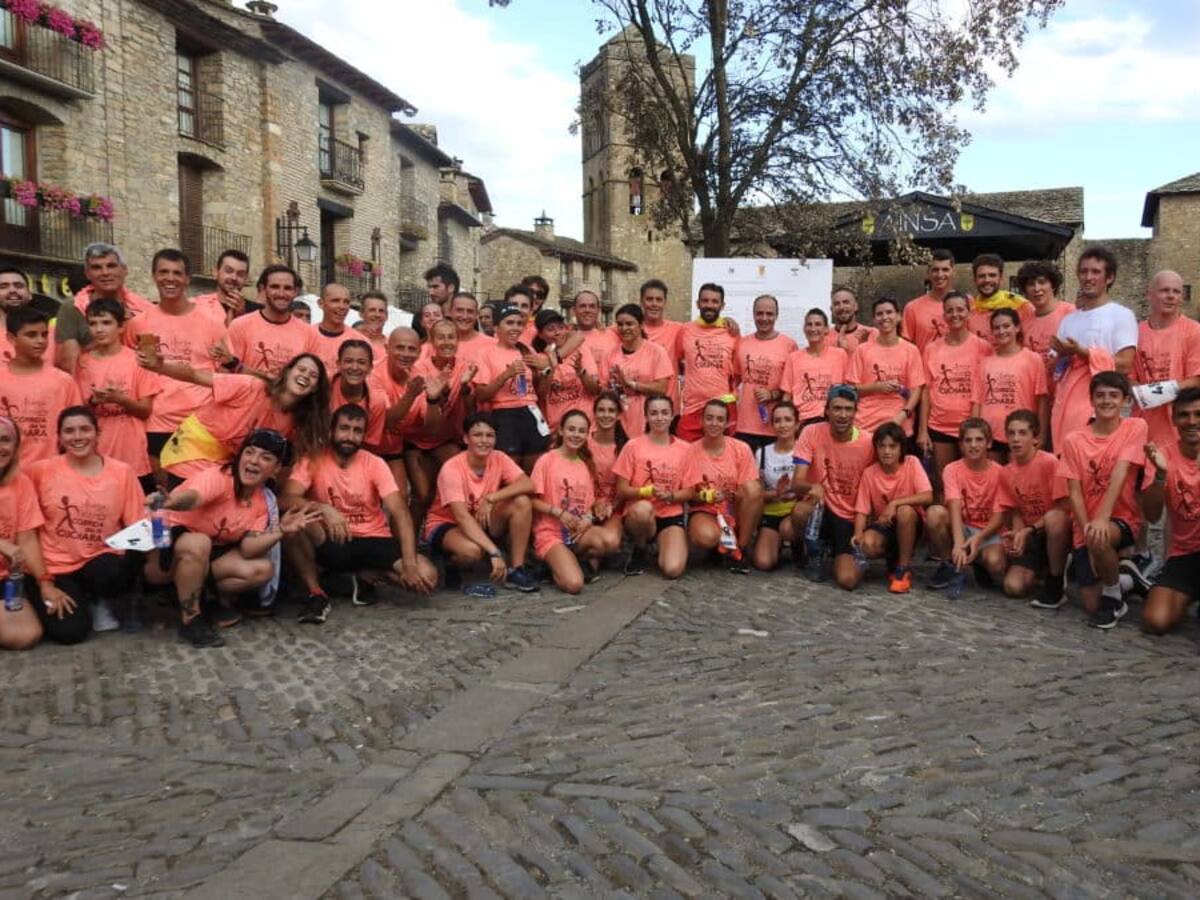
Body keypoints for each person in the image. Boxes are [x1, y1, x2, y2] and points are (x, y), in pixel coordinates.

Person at [147, 429, 318, 645]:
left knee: (262, 569)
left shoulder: (262, 501)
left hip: (204, 559)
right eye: (249, 452)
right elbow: (193, 498)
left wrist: (281, 531)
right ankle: (190, 620)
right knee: (199, 542)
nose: (254, 461)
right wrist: (171, 502)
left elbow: (248, 548)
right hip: (165, 552)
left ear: (275, 469)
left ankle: (187, 594)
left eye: (265, 458)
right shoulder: (219, 477)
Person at [283, 404, 438, 621]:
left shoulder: (374, 463)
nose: (350, 436)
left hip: (373, 538)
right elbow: (286, 499)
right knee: (294, 521)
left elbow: (400, 512)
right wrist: (323, 508)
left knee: (427, 577)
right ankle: (316, 593)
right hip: (333, 539)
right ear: (331, 431)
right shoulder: (313, 459)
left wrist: (410, 565)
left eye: (357, 431)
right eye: (344, 428)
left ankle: (355, 577)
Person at [26, 406, 144, 641]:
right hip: (54, 567)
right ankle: (47, 599)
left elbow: (137, 524)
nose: (78, 436)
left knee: (114, 568)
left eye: (84, 429)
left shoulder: (122, 472)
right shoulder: (39, 471)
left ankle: (100, 599)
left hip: (98, 561)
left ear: (97, 433)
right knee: (70, 633)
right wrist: (44, 582)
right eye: (69, 431)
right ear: (59, 437)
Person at [146, 352, 330, 483]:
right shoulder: (251, 386)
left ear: (315, 387)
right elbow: (195, 375)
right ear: (288, 372)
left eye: (313, 375)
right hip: (193, 450)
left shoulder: (294, 421)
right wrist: (160, 366)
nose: (305, 376)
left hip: (229, 465)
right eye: (301, 369)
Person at [125, 249, 228, 478]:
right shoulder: (138, 324)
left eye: (176, 273)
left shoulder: (212, 324)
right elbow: (130, 369)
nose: (170, 278)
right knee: (166, 498)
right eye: (163, 272)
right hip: (157, 422)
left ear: (187, 279)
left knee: (199, 495)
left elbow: (224, 375)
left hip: (200, 423)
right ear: (153, 276)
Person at [1056, 372, 1147, 629]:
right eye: (1100, 395)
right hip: (1087, 525)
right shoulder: (1074, 440)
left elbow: (1120, 472)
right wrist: (1088, 534)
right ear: (1091, 400)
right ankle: (1127, 579)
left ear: (1125, 400)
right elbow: (1073, 491)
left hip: (1120, 519)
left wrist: (1101, 521)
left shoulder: (1135, 427)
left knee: (1102, 535)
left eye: (1114, 395)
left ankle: (1115, 597)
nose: (1107, 401)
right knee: (1090, 604)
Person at [423, 412, 539, 592]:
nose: (484, 440)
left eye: (490, 435)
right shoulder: (452, 468)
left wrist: (492, 497)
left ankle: (517, 569)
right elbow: (461, 517)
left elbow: (528, 484)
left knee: (522, 502)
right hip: (447, 523)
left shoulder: (499, 457)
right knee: (472, 552)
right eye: (477, 435)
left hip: (480, 517)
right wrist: (494, 552)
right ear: (466, 438)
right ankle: (450, 563)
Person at [1050, 246, 1137, 449]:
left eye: (1096, 272)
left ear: (1109, 278)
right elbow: (1055, 371)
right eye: (1083, 271)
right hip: (1066, 409)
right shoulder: (1068, 320)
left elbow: (1125, 364)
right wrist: (1062, 357)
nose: (1088, 277)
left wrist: (1082, 352)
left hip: (1100, 411)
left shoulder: (1122, 315)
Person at [790, 385, 876, 585]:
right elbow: (797, 482)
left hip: (849, 514)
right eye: (837, 408)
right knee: (799, 514)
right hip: (820, 508)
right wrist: (812, 487)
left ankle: (843, 553)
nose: (842, 415)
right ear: (827, 410)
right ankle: (811, 552)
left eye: (848, 409)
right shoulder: (811, 432)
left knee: (847, 580)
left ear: (856, 412)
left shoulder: (868, 442)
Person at [530, 409, 621, 593]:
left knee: (609, 541)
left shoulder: (584, 464)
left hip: (576, 532)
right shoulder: (547, 460)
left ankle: (571, 559)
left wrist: (587, 520)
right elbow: (531, 501)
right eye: (571, 429)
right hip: (551, 533)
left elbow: (589, 505)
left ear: (587, 435)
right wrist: (558, 513)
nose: (576, 435)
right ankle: (550, 564)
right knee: (574, 584)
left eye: (581, 431)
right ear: (561, 431)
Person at [76, 298, 160, 492]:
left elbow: (145, 410)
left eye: (106, 323)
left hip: (133, 457)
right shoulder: (83, 363)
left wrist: (120, 399)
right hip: (96, 455)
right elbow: (79, 409)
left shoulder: (137, 361)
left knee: (139, 519)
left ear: (121, 327)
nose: (99, 329)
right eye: (93, 323)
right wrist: (94, 401)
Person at [1141, 388, 1200, 635]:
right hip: (1184, 554)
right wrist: (1161, 476)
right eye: (1184, 415)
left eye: (1198, 414)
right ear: (1174, 419)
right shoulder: (1162, 455)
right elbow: (1153, 515)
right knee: (1156, 621)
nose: (1192, 421)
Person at [613, 394, 691, 578]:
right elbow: (621, 490)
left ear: (672, 416)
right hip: (640, 514)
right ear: (646, 416)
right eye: (654, 413)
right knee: (643, 508)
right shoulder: (633, 446)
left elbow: (690, 491)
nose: (660, 418)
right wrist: (646, 492)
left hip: (670, 514)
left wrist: (671, 496)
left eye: (665, 413)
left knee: (672, 570)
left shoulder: (685, 449)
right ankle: (640, 547)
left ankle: (662, 544)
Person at [998, 410, 1070, 607]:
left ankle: (1056, 579)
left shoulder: (1049, 462)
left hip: (1056, 530)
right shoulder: (1005, 472)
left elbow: (1064, 505)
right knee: (1014, 587)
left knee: (1055, 519)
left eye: (1022, 433)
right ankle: (1042, 570)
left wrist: (1031, 529)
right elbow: (1015, 510)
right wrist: (1018, 534)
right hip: (1033, 535)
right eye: (1011, 433)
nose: (1016, 439)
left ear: (1035, 438)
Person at [916, 291, 988, 491]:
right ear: (943, 315)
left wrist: (975, 425)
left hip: (971, 426)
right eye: (950, 311)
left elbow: (983, 389)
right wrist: (923, 430)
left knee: (973, 481)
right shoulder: (931, 349)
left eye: (960, 309)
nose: (955, 314)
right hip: (940, 426)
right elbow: (926, 391)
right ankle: (944, 521)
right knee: (942, 482)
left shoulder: (983, 347)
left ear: (969, 312)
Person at [682, 399, 763, 573]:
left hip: (735, 509)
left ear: (727, 423)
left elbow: (750, 490)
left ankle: (738, 548)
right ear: (701, 420)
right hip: (706, 510)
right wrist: (707, 496)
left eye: (719, 419)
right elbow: (690, 496)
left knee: (755, 489)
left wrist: (729, 497)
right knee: (705, 536)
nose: (714, 423)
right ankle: (719, 545)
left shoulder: (741, 448)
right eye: (709, 418)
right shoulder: (690, 452)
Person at [926, 418, 1007, 591]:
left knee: (996, 564)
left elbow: (999, 516)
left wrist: (978, 538)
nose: (973, 445)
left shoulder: (1001, 473)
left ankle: (979, 563)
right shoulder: (952, 469)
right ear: (961, 445)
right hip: (963, 526)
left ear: (989, 443)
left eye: (979, 440)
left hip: (987, 531)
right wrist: (958, 543)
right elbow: (954, 505)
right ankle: (949, 564)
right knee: (935, 513)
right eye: (968, 440)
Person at [851, 422, 933, 592]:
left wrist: (894, 503)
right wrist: (858, 533)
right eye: (882, 446)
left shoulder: (912, 463)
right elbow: (862, 509)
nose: (887, 451)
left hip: (912, 523)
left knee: (904, 511)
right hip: (885, 526)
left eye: (892, 446)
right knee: (867, 544)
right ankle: (892, 560)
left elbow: (928, 496)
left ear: (901, 448)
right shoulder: (870, 472)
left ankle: (903, 569)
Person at [408, 321, 477, 511]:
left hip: (446, 439)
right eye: (441, 337)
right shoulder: (420, 368)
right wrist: (438, 395)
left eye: (451, 337)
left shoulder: (466, 368)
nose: (446, 342)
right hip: (416, 438)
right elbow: (426, 419)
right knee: (422, 495)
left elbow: (471, 412)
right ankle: (412, 539)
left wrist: (464, 388)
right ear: (431, 341)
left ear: (457, 340)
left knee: (458, 482)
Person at [473, 301, 549, 473]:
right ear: (496, 327)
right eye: (509, 323)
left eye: (519, 323)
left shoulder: (526, 349)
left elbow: (541, 391)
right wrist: (506, 375)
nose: (515, 328)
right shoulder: (485, 353)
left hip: (532, 412)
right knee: (509, 475)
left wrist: (545, 371)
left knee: (534, 473)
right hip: (504, 415)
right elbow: (481, 395)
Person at [55, 242, 153, 373]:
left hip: (138, 385)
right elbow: (68, 365)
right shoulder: (72, 309)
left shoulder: (144, 309)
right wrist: (114, 331)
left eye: (111, 266)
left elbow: (153, 358)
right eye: (96, 268)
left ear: (124, 270)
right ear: (88, 274)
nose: (105, 272)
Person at [4, 306, 82, 465]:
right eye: (31, 335)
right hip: (8, 474)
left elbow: (77, 427)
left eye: (44, 335)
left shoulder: (63, 381)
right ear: (12, 338)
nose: (40, 341)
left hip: (54, 470)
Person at [1132, 270, 1200, 447]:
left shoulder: (1194, 331)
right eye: (1164, 290)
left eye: (1176, 291)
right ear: (1149, 294)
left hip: (1180, 430)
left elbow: (1196, 380)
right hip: (1142, 428)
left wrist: (1152, 393)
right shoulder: (1134, 332)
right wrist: (1140, 391)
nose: (1171, 296)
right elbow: (1127, 378)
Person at [971, 308, 1048, 463]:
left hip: (1020, 434)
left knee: (1018, 483)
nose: (1002, 331)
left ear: (1017, 327)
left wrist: (1042, 434)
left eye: (1006, 326)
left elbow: (1042, 400)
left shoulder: (1033, 360)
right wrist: (976, 433)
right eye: (997, 328)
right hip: (991, 434)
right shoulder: (985, 362)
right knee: (995, 483)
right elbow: (977, 402)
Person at [0, 419, 50, 650]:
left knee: (28, 635)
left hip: (6, 578)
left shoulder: (21, 484)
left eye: (5, 440)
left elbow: (27, 539)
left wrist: (44, 582)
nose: (1, 447)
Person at [225, 265, 319, 379]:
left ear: (296, 291)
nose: (281, 293)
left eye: (288, 288)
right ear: (263, 289)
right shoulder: (240, 326)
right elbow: (227, 372)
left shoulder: (309, 333)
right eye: (275, 287)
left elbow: (312, 378)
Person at [847, 296, 923, 434]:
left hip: (899, 423)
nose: (884, 317)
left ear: (898, 316)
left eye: (889, 312)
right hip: (865, 424)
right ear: (874, 320)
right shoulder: (862, 350)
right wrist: (877, 387)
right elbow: (852, 388)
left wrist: (902, 416)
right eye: (879, 314)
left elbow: (916, 390)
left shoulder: (911, 350)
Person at [734, 294, 797, 450]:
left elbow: (794, 388)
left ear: (777, 315)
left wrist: (772, 395)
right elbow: (733, 380)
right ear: (753, 314)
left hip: (776, 427)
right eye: (759, 313)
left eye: (769, 314)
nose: (764, 318)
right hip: (744, 426)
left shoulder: (789, 345)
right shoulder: (741, 344)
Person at [677, 283, 738, 442]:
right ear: (698, 303)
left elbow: (738, 372)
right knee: (687, 459)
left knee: (721, 459)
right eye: (705, 301)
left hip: (723, 408)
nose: (709, 305)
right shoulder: (685, 330)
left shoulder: (732, 333)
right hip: (692, 409)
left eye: (714, 301)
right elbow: (677, 362)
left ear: (722, 305)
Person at [369, 327, 428, 491]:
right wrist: (410, 395)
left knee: (400, 500)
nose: (406, 354)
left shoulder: (420, 374)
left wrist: (435, 401)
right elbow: (386, 421)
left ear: (419, 352)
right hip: (367, 448)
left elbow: (426, 424)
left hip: (395, 448)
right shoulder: (373, 373)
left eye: (411, 349)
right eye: (400, 347)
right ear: (387, 348)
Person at [604, 303, 673, 440]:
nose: (624, 328)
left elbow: (662, 388)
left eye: (630, 324)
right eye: (620, 324)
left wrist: (633, 385)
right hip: (619, 423)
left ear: (641, 325)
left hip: (648, 423)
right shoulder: (610, 355)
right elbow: (604, 389)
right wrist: (616, 387)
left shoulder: (656, 352)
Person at [1016, 261, 1073, 420]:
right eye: (1031, 284)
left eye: (1042, 282)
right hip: (1035, 400)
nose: (1037, 289)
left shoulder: (1070, 313)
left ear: (1053, 285)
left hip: (1065, 398)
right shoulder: (1023, 321)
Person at [532, 308, 600, 432]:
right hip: (557, 429)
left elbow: (595, 390)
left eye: (560, 327)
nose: (557, 332)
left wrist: (581, 372)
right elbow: (541, 395)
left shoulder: (581, 349)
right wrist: (551, 368)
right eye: (551, 329)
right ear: (541, 335)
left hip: (585, 425)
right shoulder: (539, 359)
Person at [781, 309, 849, 429]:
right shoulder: (793, 358)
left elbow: (849, 389)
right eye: (809, 324)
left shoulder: (840, 355)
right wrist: (789, 422)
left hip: (832, 421)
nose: (813, 329)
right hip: (803, 422)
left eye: (818, 324)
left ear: (826, 329)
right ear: (804, 329)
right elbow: (787, 396)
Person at [752, 401, 800, 571]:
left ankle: (800, 545)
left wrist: (796, 491)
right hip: (771, 510)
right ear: (772, 425)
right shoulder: (763, 453)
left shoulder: (804, 449)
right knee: (763, 563)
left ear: (797, 424)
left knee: (788, 529)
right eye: (778, 421)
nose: (783, 425)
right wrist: (775, 494)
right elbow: (755, 493)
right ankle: (775, 543)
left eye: (788, 420)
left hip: (796, 511)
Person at [587, 391, 627, 564]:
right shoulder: (584, 443)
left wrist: (610, 506)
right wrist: (593, 505)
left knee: (610, 542)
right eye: (601, 410)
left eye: (611, 410)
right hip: (585, 505)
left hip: (614, 507)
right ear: (594, 413)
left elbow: (626, 487)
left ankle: (592, 554)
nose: (606, 415)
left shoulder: (626, 446)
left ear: (618, 414)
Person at [329, 339, 387, 451]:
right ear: (338, 364)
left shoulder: (377, 402)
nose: (354, 367)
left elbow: (369, 445)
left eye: (361, 362)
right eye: (348, 361)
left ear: (370, 368)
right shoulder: (324, 389)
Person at [966, 253, 1033, 339]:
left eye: (992, 275)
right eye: (982, 276)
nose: (987, 280)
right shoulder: (970, 307)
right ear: (974, 280)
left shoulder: (1021, 305)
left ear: (1001, 278)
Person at [640, 279, 684, 408]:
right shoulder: (630, 329)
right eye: (649, 299)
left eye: (659, 300)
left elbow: (702, 328)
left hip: (667, 409)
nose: (654, 304)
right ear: (641, 301)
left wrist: (725, 321)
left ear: (665, 302)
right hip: (637, 409)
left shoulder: (678, 329)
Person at [902, 249, 955, 352]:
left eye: (945, 270)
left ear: (953, 271)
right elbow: (907, 349)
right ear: (928, 273)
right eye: (935, 270)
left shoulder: (968, 303)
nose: (940, 275)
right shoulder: (912, 308)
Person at [192, 248, 257, 326]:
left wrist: (243, 315)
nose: (234, 277)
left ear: (246, 279)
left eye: (240, 274)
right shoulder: (197, 306)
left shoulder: (257, 312)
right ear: (216, 272)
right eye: (229, 271)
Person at [310, 283, 362, 375]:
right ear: (321, 303)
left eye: (346, 302)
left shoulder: (359, 341)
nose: (341, 307)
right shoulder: (306, 335)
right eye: (335, 301)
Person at [0, 267, 49, 364]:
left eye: (18, 286)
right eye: (3, 286)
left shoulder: (51, 334)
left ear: (30, 294)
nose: (12, 290)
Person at [573, 289, 619, 375]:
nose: (587, 310)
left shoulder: (614, 335)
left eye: (592, 306)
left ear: (598, 310)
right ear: (574, 310)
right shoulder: (565, 337)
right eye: (582, 306)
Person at [827, 286, 877, 353]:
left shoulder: (871, 334)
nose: (841, 307)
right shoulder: (824, 337)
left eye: (846, 302)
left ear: (856, 306)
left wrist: (864, 346)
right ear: (831, 309)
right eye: (836, 304)